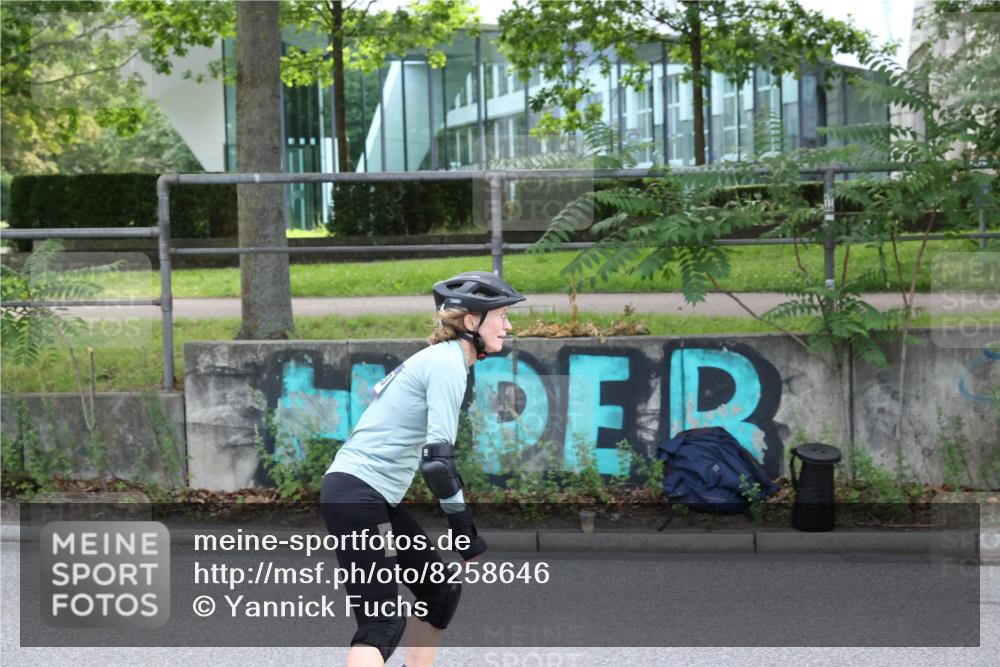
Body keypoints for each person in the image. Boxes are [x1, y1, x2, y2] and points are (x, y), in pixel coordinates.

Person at [320, 271, 525, 667]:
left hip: (368, 497)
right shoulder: (448, 363)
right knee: (381, 623)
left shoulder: (446, 361)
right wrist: (462, 526)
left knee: (439, 592)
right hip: (359, 497)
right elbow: (437, 463)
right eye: (500, 316)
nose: (508, 325)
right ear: (471, 322)